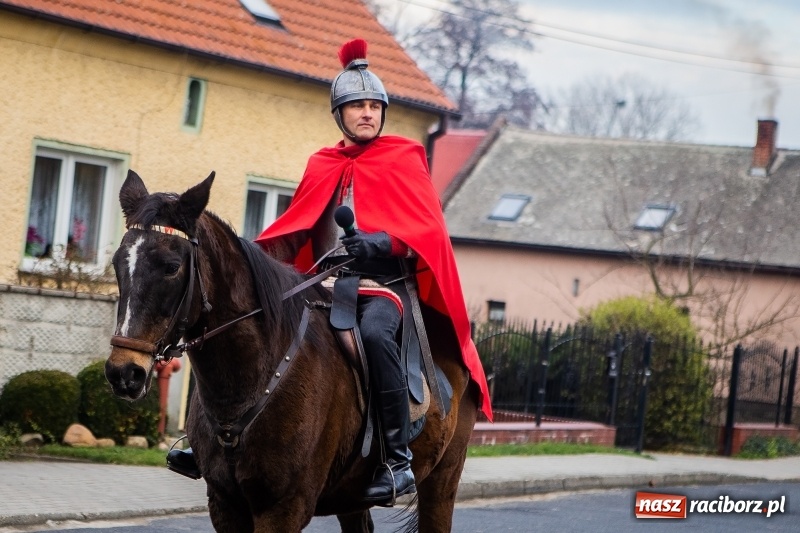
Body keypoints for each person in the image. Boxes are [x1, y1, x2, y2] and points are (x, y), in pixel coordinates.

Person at [168, 38, 492, 506]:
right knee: (233, 324)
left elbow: (429, 229)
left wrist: (382, 242)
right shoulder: (323, 163)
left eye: (373, 105)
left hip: (383, 285)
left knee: (377, 335)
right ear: (339, 115)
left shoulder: (404, 157)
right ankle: (201, 443)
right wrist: (247, 262)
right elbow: (296, 227)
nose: (366, 113)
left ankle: (396, 458)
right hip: (317, 282)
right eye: (356, 106)